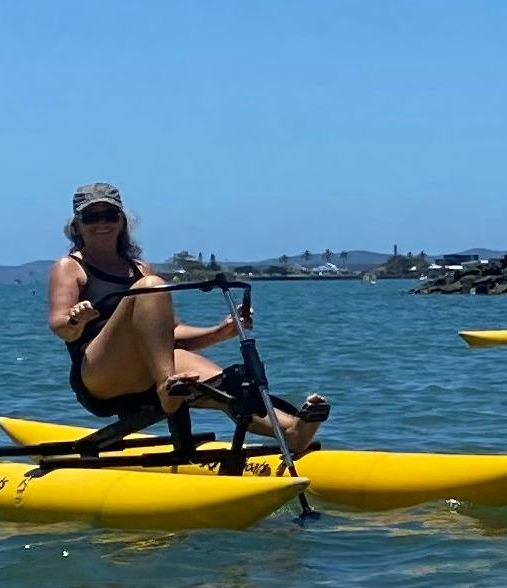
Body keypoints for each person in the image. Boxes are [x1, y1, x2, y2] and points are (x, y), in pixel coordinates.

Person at [47, 184, 326, 455]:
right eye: (91, 217)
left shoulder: (141, 269)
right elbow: (62, 329)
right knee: (150, 287)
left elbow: (171, 333)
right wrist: (76, 320)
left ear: (122, 221)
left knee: (226, 386)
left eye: (109, 215)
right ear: (77, 225)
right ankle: (167, 386)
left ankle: (291, 430)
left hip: (150, 368)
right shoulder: (70, 266)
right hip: (98, 375)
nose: (102, 223)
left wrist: (220, 332)